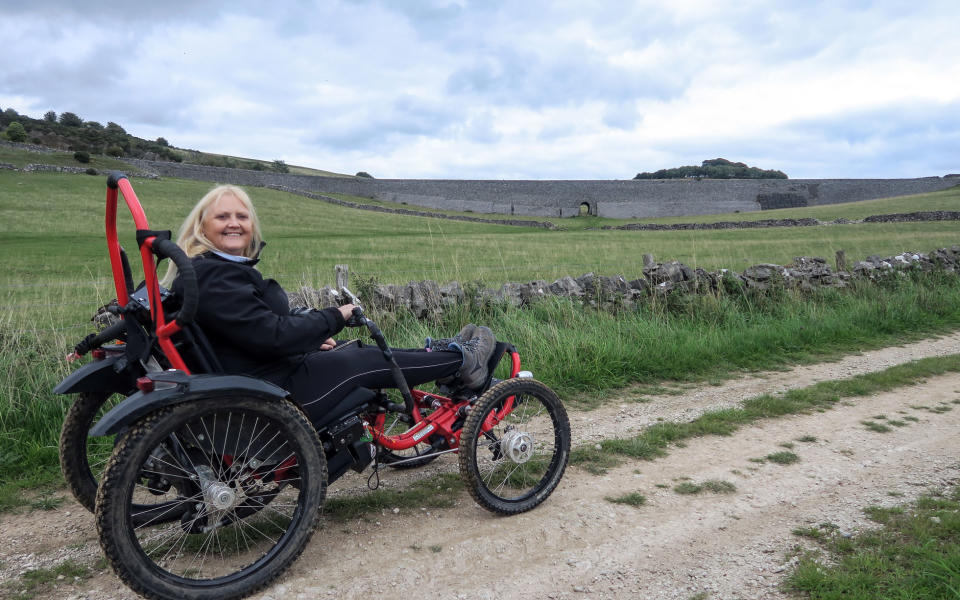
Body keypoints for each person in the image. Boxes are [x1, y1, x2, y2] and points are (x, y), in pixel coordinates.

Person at [163, 184, 496, 424]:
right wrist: (334, 316)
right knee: (363, 358)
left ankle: (444, 357)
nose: (234, 223)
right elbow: (271, 335)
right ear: (202, 226)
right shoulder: (214, 275)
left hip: (259, 375)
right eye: (222, 216)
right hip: (269, 391)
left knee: (348, 352)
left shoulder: (208, 271)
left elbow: (247, 331)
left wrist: (307, 338)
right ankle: (462, 360)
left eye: (241, 216)